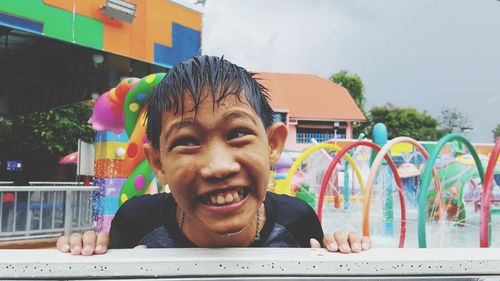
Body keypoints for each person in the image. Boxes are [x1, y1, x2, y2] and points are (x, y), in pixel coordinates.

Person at [57, 55, 371, 255]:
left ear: (273, 144)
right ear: (158, 163)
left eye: (237, 134)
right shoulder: (135, 223)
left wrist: (341, 247)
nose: (218, 167)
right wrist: (87, 250)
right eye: (187, 141)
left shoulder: (298, 223)